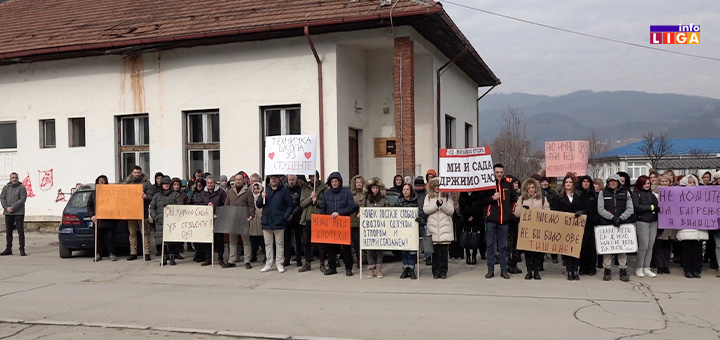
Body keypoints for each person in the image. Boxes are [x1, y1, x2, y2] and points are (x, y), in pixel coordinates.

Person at [480, 164, 518, 279]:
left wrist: (510, 213)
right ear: (493, 172)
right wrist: (492, 198)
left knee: (503, 246)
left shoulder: (508, 183)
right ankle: (490, 269)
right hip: (491, 219)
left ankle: (504, 270)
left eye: (501, 172)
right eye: (497, 172)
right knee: (490, 245)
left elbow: (513, 200)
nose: (499, 174)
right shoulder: (488, 184)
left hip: (504, 220)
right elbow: (481, 200)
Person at [597, 174, 634, 282]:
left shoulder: (626, 193)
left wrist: (621, 218)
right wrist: (612, 218)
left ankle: (623, 270)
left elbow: (630, 208)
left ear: (619, 182)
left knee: (622, 248)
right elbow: (600, 209)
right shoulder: (602, 193)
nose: (612, 183)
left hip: (622, 224)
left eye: (615, 181)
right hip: (608, 224)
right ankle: (607, 269)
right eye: (610, 181)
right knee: (608, 249)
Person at [319, 172, 357, 276]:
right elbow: (323, 208)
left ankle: (348, 268)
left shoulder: (347, 193)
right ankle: (332, 267)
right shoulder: (326, 193)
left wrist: (340, 213)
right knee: (330, 247)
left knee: (346, 247)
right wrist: (323, 219)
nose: (334, 183)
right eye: (332, 181)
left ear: (339, 182)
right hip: (330, 224)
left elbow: (352, 206)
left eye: (336, 181)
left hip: (343, 223)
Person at [551, 174, 585, 281]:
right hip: (564, 226)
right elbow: (555, 210)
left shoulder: (579, 195)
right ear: (564, 184)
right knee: (566, 249)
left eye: (570, 182)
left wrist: (581, 212)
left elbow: (585, 208)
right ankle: (569, 270)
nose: (568, 184)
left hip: (576, 226)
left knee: (576, 249)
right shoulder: (558, 196)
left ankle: (575, 270)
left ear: (573, 184)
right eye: (566, 182)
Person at [256, 175, 293, 273]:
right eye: (272, 178)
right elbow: (259, 205)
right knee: (268, 244)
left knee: (279, 244)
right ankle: (268, 263)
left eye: (275, 178)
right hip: (266, 221)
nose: (273, 180)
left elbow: (290, 205)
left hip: (279, 221)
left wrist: (284, 217)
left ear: (278, 179)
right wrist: (261, 197)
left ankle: (279, 263)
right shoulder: (265, 190)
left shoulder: (284, 191)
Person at [514, 178, 549, 280]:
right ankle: (529, 271)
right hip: (526, 229)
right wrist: (523, 210)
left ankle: (536, 271)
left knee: (537, 252)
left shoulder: (542, 199)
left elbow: (547, 211)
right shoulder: (521, 199)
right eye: (529, 188)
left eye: (533, 187)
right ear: (526, 189)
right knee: (528, 252)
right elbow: (516, 213)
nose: (531, 190)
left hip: (538, 229)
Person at [677, 174, 707, 278]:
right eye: (690, 182)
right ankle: (688, 270)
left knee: (697, 250)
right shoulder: (680, 196)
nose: (692, 184)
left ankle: (696, 270)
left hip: (699, 228)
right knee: (687, 250)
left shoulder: (702, 195)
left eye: (693, 182)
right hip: (686, 228)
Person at [424, 178, 454, 279]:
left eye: (439, 186)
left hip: (444, 227)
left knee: (444, 252)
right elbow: (426, 210)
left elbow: (451, 211)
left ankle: (443, 271)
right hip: (433, 228)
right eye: (435, 186)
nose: (437, 188)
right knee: (435, 253)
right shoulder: (428, 197)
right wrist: (436, 206)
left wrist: (443, 205)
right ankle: (435, 271)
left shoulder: (447, 196)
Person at [149, 176, 183, 265]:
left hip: (172, 222)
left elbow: (180, 206)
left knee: (172, 240)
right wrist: (155, 217)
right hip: (160, 221)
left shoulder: (176, 195)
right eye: (164, 184)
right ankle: (163, 257)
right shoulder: (156, 196)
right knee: (161, 240)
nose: (166, 186)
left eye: (167, 184)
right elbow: (152, 208)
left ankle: (172, 256)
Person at [298, 172, 327, 272]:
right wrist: (310, 198)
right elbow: (302, 204)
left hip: (318, 218)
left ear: (317, 177)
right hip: (307, 218)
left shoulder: (324, 188)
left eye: (313, 176)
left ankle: (322, 263)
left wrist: (317, 201)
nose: (312, 178)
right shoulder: (305, 188)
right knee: (306, 242)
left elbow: (325, 203)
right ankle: (307, 263)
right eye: (310, 177)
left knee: (320, 243)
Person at [123, 166, 154, 261]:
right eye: (135, 172)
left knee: (144, 233)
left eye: (138, 172)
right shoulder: (128, 184)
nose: (137, 174)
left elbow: (151, 197)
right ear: (132, 173)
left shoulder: (147, 183)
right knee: (132, 233)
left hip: (142, 212)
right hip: (131, 212)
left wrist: (146, 197)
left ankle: (147, 252)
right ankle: (133, 252)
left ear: (141, 173)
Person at [196, 177, 228, 267]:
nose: (209, 184)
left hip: (218, 218)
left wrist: (219, 213)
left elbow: (225, 204)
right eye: (208, 183)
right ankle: (208, 258)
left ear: (215, 183)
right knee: (207, 239)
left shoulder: (221, 192)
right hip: (206, 219)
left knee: (219, 239)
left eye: (211, 183)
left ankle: (220, 258)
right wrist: (206, 204)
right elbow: (198, 204)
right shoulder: (203, 193)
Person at [225, 173, 255, 268]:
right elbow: (226, 204)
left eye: (239, 179)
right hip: (232, 220)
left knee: (245, 241)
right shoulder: (230, 191)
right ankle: (231, 260)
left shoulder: (248, 192)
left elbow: (251, 205)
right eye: (236, 179)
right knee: (232, 241)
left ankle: (247, 261)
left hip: (244, 219)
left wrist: (251, 215)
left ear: (243, 180)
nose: (238, 181)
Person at [361, 178, 390, 278]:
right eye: (373, 188)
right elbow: (362, 210)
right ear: (370, 189)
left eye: (377, 188)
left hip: (380, 228)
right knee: (370, 249)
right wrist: (360, 214)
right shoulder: (365, 199)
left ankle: (379, 268)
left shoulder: (384, 199)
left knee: (379, 248)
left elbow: (388, 211)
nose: (375, 190)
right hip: (369, 228)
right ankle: (371, 269)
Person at [632, 175, 658, 278]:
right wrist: (651, 208)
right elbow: (637, 207)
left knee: (650, 246)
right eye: (644, 183)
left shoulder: (652, 195)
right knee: (643, 245)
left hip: (653, 221)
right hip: (642, 221)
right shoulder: (636, 194)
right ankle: (639, 267)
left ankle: (647, 267)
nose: (647, 185)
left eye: (648, 183)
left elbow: (657, 206)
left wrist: (654, 209)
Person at [87, 175, 117, 261]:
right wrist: (92, 215)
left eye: (103, 180)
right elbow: (89, 206)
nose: (101, 182)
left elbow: (116, 204)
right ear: (97, 182)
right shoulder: (94, 193)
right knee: (98, 239)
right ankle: (98, 254)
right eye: (99, 180)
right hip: (98, 221)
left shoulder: (111, 193)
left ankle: (111, 253)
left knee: (110, 239)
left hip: (109, 220)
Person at [395, 182, 419, 279]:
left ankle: (412, 268)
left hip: (412, 229)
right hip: (402, 229)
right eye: (404, 189)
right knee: (404, 250)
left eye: (407, 189)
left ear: (411, 191)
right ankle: (405, 268)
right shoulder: (399, 201)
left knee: (412, 250)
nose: (405, 191)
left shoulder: (415, 201)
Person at [0, 172, 28, 256]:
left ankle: (22, 249)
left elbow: (22, 200)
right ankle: (8, 248)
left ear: (18, 178)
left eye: (16, 177)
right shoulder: (5, 188)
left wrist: (13, 207)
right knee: (9, 231)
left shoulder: (22, 188)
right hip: (8, 213)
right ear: (10, 179)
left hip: (19, 213)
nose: (14, 179)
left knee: (20, 231)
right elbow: (2, 198)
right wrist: (6, 207)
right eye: (12, 177)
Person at [653, 174, 675, 275]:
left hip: (670, 222)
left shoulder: (675, 193)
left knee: (667, 246)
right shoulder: (655, 193)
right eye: (662, 181)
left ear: (670, 183)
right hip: (659, 222)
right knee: (659, 245)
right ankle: (660, 266)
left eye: (667, 181)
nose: (664, 183)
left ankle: (666, 265)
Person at [577, 176, 598, 276]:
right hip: (579, 224)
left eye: (587, 182)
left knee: (591, 247)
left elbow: (595, 209)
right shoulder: (577, 194)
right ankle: (582, 267)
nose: (585, 183)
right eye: (584, 181)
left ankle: (591, 267)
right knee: (582, 247)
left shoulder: (594, 195)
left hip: (591, 223)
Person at [284, 175, 304, 267]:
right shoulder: (284, 189)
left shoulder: (300, 190)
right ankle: (286, 259)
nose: (291, 181)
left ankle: (299, 259)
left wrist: (293, 214)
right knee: (286, 240)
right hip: (286, 219)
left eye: (292, 180)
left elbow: (301, 204)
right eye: (289, 180)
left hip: (296, 218)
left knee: (298, 240)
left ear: (296, 180)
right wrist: (286, 214)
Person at [414, 177, 432, 266]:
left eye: (420, 186)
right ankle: (414, 256)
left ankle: (428, 256)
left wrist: (424, 217)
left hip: (425, 219)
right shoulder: (413, 194)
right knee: (414, 239)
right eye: (417, 186)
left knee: (426, 240)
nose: (418, 188)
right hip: (415, 220)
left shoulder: (427, 194)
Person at [350, 174, 365, 267]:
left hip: (364, 221)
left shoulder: (366, 193)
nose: (359, 184)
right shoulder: (351, 194)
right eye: (357, 182)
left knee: (363, 241)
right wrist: (356, 206)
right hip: (354, 220)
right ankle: (357, 258)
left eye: (360, 182)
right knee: (355, 241)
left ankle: (363, 258)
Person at [249, 182, 265, 265]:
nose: (256, 190)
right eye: (254, 189)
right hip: (253, 220)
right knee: (253, 240)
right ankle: (253, 255)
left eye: (257, 189)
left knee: (263, 240)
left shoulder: (263, 197)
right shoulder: (250, 197)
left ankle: (266, 256)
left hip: (261, 219)